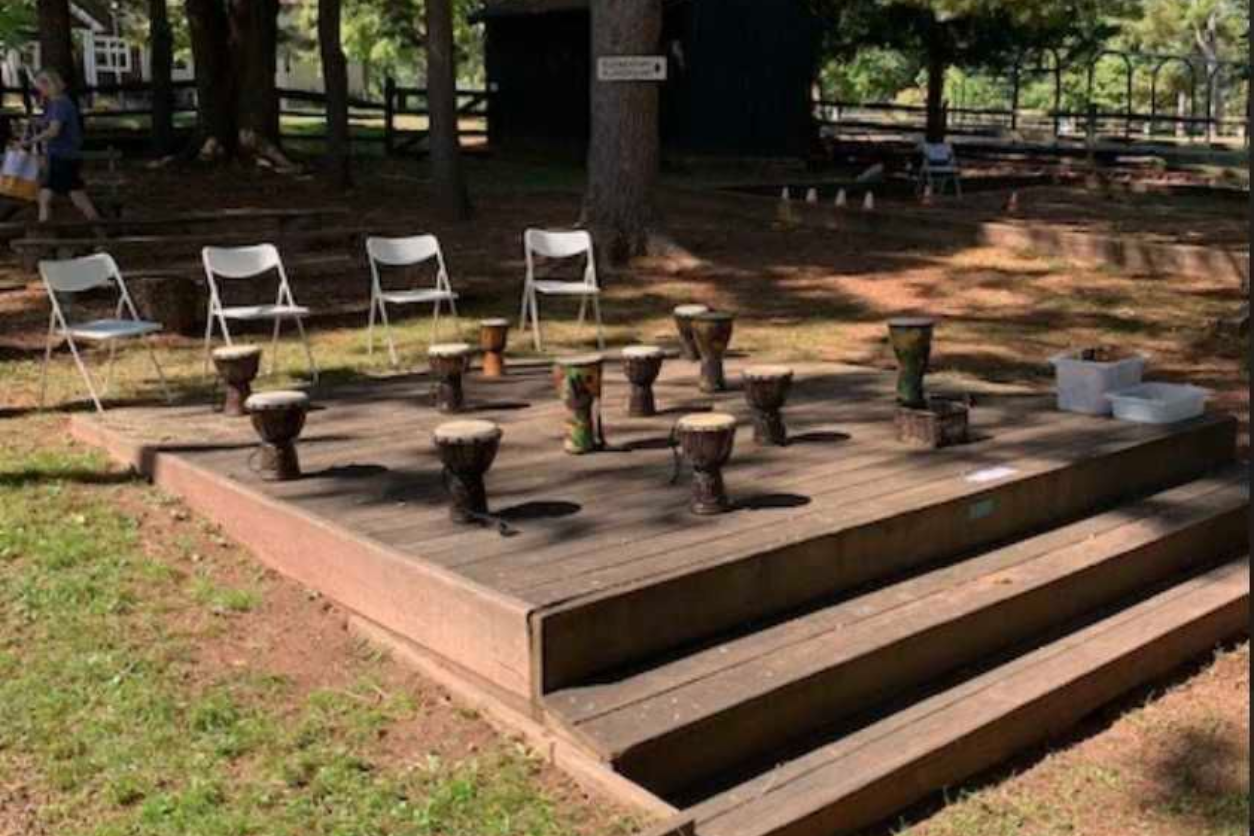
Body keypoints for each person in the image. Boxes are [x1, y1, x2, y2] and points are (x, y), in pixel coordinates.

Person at [22, 70, 99, 223]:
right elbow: (49, 123)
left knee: (76, 199)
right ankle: (44, 235)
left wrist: (30, 142)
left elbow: (53, 131)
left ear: (48, 85)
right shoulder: (57, 103)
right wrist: (36, 122)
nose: (39, 91)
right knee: (47, 198)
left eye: (40, 87)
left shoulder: (59, 104)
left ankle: (102, 233)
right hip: (62, 157)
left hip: (63, 158)